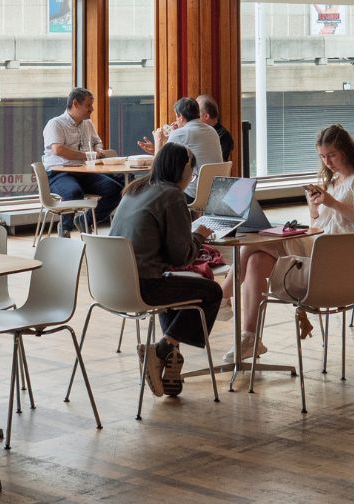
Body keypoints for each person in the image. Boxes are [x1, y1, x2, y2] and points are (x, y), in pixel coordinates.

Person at [230, 124, 354, 358]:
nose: (327, 162)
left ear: (345, 151)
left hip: (338, 258)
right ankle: (250, 338)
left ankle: (223, 293)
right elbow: (318, 226)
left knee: (253, 242)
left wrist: (332, 203)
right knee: (256, 258)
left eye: (331, 155)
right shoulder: (334, 180)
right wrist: (314, 208)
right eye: (322, 156)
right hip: (317, 246)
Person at [106, 145, 225, 398]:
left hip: (112, 285)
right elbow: (181, 257)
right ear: (183, 170)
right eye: (191, 173)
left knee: (177, 285)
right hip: (144, 286)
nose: (190, 178)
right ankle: (161, 350)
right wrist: (199, 235)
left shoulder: (135, 189)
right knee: (212, 292)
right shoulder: (172, 196)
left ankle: (170, 357)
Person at [42, 87, 122, 228]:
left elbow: (97, 142)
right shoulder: (55, 123)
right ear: (75, 104)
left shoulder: (88, 124)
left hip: (85, 172)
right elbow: (58, 150)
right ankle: (65, 229)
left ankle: (86, 221)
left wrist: (98, 150)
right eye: (88, 105)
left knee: (116, 189)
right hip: (59, 173)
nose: (92, 109)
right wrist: (87, 155)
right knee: (73, 192)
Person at [142, 96, 222, 197]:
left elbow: (159, 167)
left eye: (176, 116)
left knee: (162, 184)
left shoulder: (181, 134)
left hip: (194, 192)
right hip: (216, 190)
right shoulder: (212, 130)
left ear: (180, 116)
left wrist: (158, 140)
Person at [196, 94, 236, 167]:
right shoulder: (196, 132)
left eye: (196, 114)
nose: (193, 117)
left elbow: (218, 166)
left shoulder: (224, 136)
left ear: (206, 116)